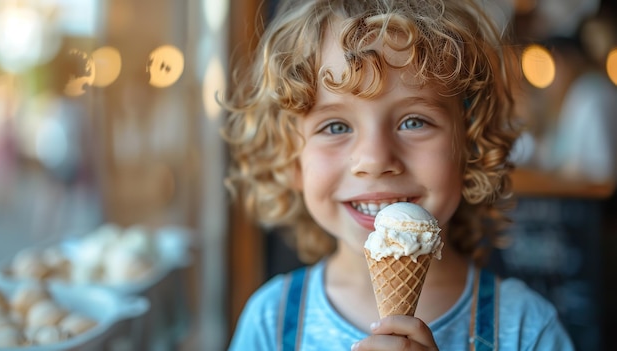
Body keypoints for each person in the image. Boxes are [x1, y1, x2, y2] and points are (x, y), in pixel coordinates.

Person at [221, 0, 575, 350]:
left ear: (469, 143)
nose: (375, 160)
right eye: (335, 126)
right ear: (291, 159)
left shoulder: (525, 329)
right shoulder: (271, 321)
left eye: (414, 121)